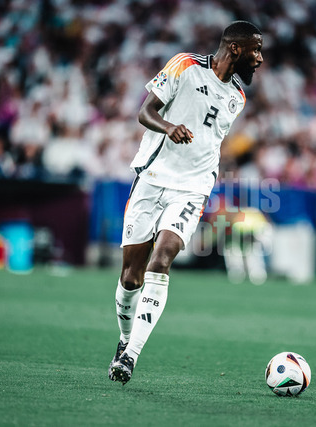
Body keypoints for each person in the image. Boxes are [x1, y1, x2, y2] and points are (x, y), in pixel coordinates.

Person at [108, 21, 263, 384]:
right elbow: (145, 113)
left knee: (161, 260)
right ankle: (125, 338)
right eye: (256, 50)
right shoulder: (185, 65)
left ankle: (130, 357)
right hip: (151, 179)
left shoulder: (237, 98)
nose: (259, 58)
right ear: (236, 48)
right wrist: (169, 127)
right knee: (130, 277)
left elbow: (209, 143)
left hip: (192, 189)